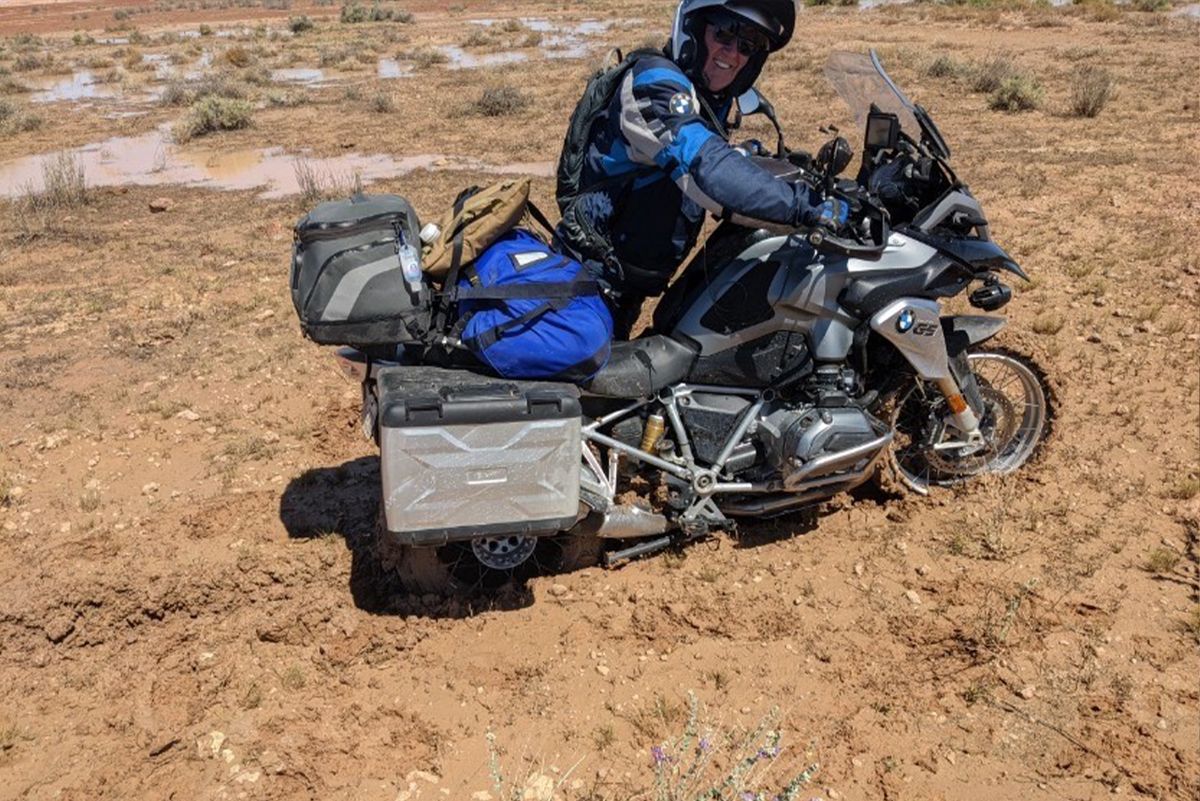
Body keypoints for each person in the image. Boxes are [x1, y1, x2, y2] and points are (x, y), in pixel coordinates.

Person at [556, 0, 846, 339]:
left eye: (748, 45)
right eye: (724, 32)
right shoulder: (655, 84)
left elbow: (712, 155)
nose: (733, 52)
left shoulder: (701, 97)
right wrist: (806, 206)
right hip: (586, 286)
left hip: (624, 285)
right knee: (590, 376)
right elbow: (704, 166)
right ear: (693, 30)